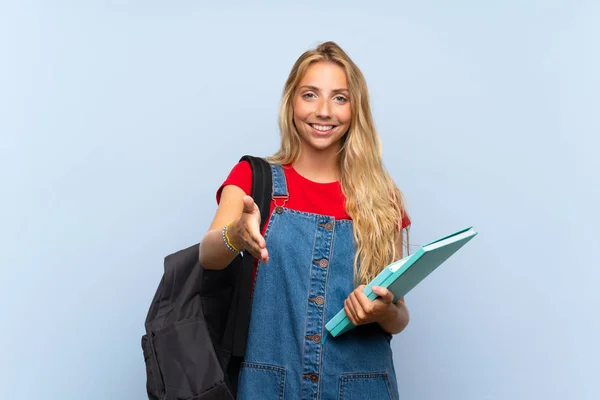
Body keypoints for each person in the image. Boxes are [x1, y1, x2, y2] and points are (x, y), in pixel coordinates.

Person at [199, 41, 411, 400]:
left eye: (340, 98)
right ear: (291, 103)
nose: (324, 111)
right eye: (310, 95)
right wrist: (236, 233)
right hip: (267, 385)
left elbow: (400, 317)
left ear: (355, 108)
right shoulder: (254, 177)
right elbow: (208, 255)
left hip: (361, 386)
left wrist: (381, 312)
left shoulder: (382, 197)